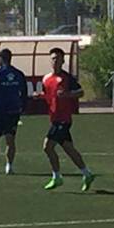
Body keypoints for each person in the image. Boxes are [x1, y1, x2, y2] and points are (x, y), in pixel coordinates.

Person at [41, 48, 95, 192]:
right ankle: (87, 174)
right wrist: (39, 96)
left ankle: (57, 176)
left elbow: (80, 92)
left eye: (58, 58)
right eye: (53, 58)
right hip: (54, 118)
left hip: (63, 119)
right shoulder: (46, 79)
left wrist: (68, 95)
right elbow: (47, 95)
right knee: (69, 149)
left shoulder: (67, 78)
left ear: (63, 61)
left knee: (47, 146)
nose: (55, 61)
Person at [0, 48, 28, 175]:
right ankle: (9, 166)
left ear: (0, 59)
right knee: (10, 138)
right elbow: (24, 92)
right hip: (13, 110)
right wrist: (23, 107)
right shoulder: (18, 74)